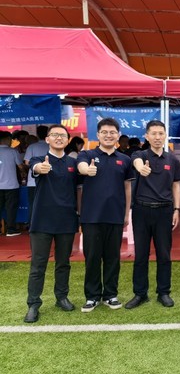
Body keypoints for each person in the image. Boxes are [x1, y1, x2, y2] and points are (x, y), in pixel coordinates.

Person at [24, 125, 80, 323]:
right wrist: (40, 168)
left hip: (66, 220)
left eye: (62, 135)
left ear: (67, 140)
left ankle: (61, 297)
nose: (58, 138)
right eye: (54, 135)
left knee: (63, 263)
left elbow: (80, 189)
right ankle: (33, 304)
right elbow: (35, 168)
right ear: (47, 139)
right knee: (38, 265)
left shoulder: (73, 163)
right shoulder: (38, 159)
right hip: (42, 221)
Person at [77, 118, 134, 312]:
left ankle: (110, 295)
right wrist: (87, 170)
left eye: (112, 132)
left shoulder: (125, 159)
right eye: (104, 132)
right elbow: (81, 167)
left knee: (113, 258)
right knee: (92, 257)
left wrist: (126, 213)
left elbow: (127, 188)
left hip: (115, 216)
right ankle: (92, 296)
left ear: (118, 135)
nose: (108, 135)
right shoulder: (87, 155)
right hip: (91, 217)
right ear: (98, 134)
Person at [125, 120, 180, 309]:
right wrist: (141, 167)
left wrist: (177, 209)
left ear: (165, 135)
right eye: (154, 134)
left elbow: (176, 185)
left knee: (164, 254)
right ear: (147, 136)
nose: (157, 137)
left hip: (164, 211)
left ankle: (163, 292)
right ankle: (140, 293)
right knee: (141, 254)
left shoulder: (172, 160)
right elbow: (136, 161)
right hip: (141, 210)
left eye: (161, 133)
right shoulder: (140, 155)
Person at [24, 125, 49, 224]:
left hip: (32, 182)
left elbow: (27, 162)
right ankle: (46, 224)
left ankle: (32, 225)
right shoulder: (50, 146)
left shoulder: (32, 147)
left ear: (37, 135)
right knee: (47, 204)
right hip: (48, 181)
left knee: (32, 204)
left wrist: (35, 166)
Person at [0, 131, 23, 237]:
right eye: (11, 140)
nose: (11, 142)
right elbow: (20, 166)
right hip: (11, 185)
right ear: (7, 139)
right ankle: (11, 230)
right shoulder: (13, 151)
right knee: (11, 208)